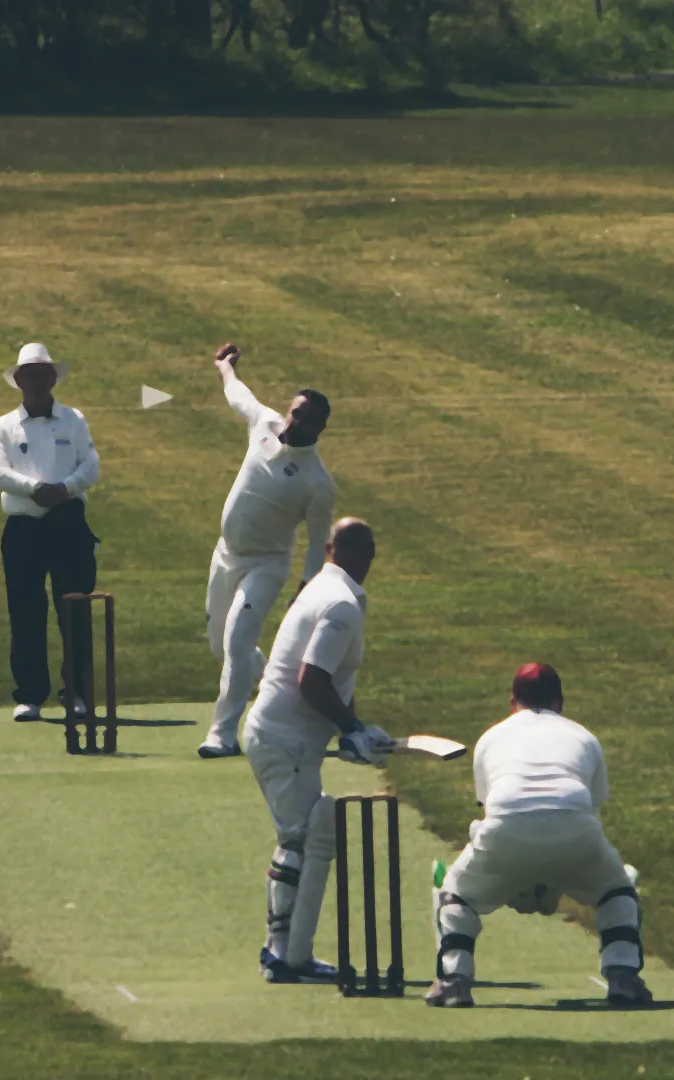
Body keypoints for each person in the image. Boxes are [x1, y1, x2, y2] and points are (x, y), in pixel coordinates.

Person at [426, 663, 652, 1008]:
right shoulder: (584, 737)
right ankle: (624, 978)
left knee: (455, 896)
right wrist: (555, 878)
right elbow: (589, 814)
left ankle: (454, 981)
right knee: (618, 892)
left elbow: (492, 813)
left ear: (512, 702)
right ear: (559, 702)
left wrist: (519, 879)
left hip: (507, 829)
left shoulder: (491, 737)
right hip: (576, 830)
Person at [241, 518, 394, 983]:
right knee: (302, 840)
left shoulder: (319, 589)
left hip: (283, 737)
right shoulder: (341, 604)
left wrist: (354, 728)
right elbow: (312, 680)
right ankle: (284, 955)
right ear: (366, 555)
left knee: (301, 838)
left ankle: (285, 951)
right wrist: (350, 728)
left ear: (330, 550)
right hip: (283, 740)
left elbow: (334, 677)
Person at [198, 342, 336, 760]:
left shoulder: (317, 482)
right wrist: (226, 368)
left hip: (266, 565)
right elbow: (239, 397)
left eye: (305, 418)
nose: (295, 421)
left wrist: (306, 589)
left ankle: (222, 734)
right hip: (226, 554)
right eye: (295, 412)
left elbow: (317, 545)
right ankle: (275, 681)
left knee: (238, 638)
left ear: (320, 428)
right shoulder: (265, 423)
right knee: (220, 644)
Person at [0, 342, 102, 722]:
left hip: (67, 522)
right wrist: (35, 488)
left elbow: (91, 465)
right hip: (24, 526)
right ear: (19, 380)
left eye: (42, 374)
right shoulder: (5, 425)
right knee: (25, 612)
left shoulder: (73, 419)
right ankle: (30, 695)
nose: (37, 381)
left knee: (74, 610)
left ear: (52, 378)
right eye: (30, 375)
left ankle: (78, 693)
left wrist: (65, 489)